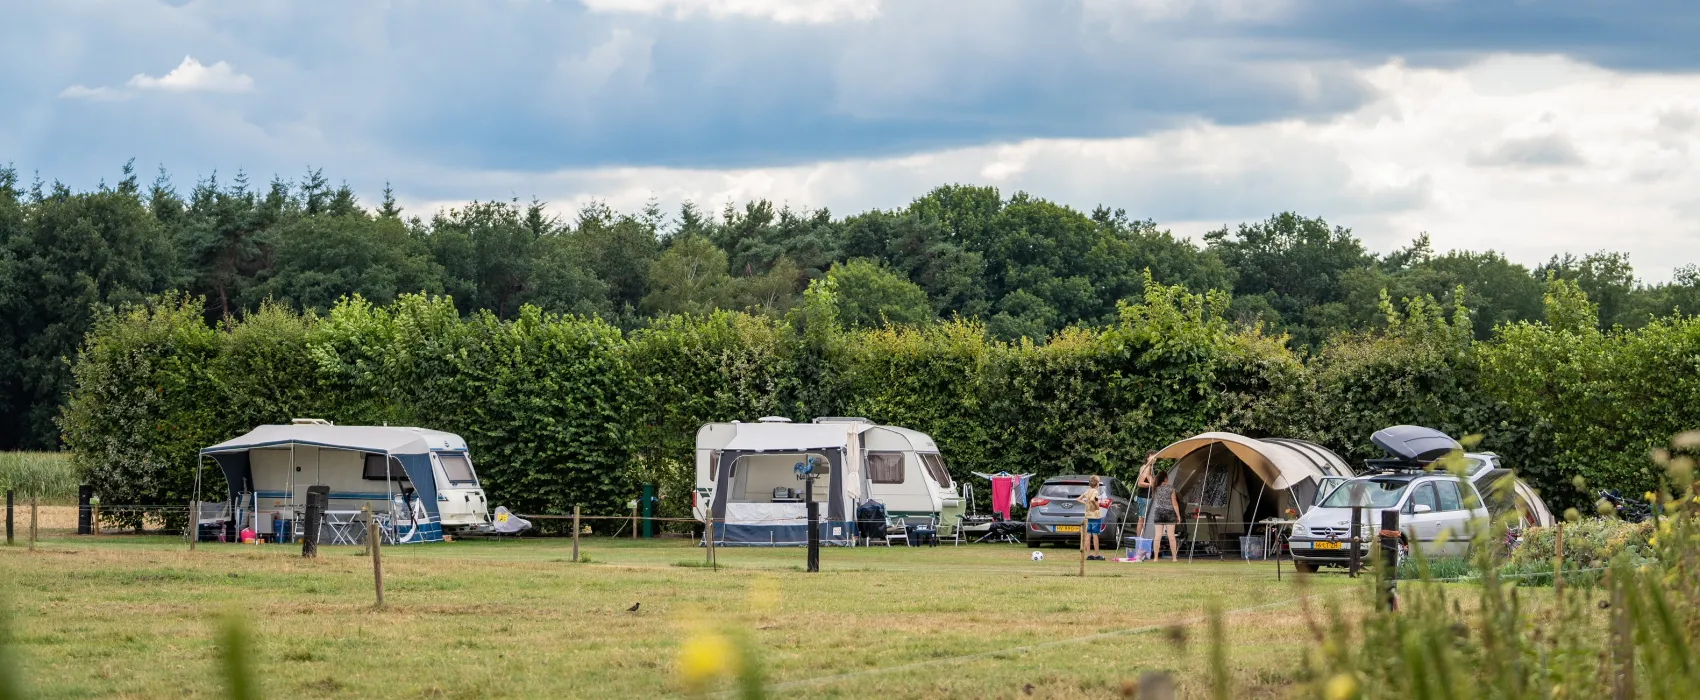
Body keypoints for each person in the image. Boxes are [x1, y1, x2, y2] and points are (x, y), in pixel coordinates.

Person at [1150, 469, 1181, 562]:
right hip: (1169, 512)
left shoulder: (1155, 488)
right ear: (1166, 478)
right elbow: (1174, 503)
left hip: (1158, 512)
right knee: (1171, 536)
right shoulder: (1171, 488)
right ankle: (1174, 558)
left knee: (1157, 535)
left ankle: (1155, 558)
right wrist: (1178, 515)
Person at [1076, 475, 1107, 560]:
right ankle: (1097, 555)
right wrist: (1096, 506)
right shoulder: (1095, 492)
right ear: (1097, 483)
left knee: (1088, 535)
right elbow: (1093, 499)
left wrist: (1085, 503)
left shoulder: (1087, 491)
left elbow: (1078, 499)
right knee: (1095, 535)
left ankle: (1088, 554)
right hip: (1095, 516)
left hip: (1087, 516)